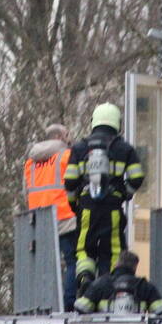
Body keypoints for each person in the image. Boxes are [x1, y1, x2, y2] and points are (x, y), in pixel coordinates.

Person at [64, 103, 145, 292]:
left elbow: (69, 182)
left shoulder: (79, 148)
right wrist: (125, 194)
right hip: (112, 209)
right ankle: (110, 288)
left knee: (84, 249)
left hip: (86, 208)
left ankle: (85, 281)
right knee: (114, 248)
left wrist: (74, 205)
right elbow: (137, 177)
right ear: (117, 122)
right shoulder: (125, 149)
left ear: (94, 122)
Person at [24, 123, 77, 312]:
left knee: (46, 266)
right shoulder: (67, 156)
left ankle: (45, 306)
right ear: (59, 137)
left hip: (39, 222)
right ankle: (69, 303)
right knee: (73, 261)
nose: (69, 138)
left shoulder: (31, 163)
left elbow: (26, 192)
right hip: (66, 217)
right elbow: (75, 185)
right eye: (67, 135)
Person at [73, 251, 162, 314]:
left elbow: (81, 307)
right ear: (135, 267)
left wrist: (84, 288)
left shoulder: (101, 284)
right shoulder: (145, 286)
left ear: (116, 264)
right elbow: (161, 311)